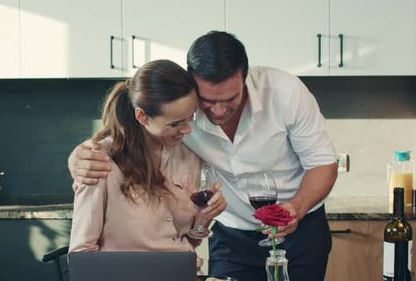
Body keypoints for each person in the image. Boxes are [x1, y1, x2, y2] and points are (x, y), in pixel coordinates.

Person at [68, 31, 338, 281]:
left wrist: (297, 207)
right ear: (191, 83)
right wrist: (79, 157)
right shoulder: (179, 109)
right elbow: (137, 117)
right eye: (207, 101)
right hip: (231, 234)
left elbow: (322, 161)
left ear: (245, 78)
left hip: (298, 225)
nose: (218, 111)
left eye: (230, 99)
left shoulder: (286, 92)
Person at [68, 59, 226, 255]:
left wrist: (203, 218)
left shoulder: (189, 154)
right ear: (142, 116)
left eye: (190, 117)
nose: (186, 130)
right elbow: (81, 254)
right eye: (175, 124)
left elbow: (184, 243)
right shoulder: (99, 162)